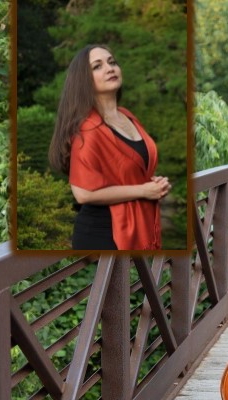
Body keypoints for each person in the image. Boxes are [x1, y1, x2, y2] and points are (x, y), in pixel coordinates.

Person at [49, 44, 171, 250]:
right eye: (97, 66)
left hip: (140, 225)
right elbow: (83, 194)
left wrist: (154, 184)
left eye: (112, 62)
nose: (109, 68)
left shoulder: (127, 116)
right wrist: (142, 190)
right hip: (105, 234)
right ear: (83, 80)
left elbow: (130, 169)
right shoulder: (87, 129)